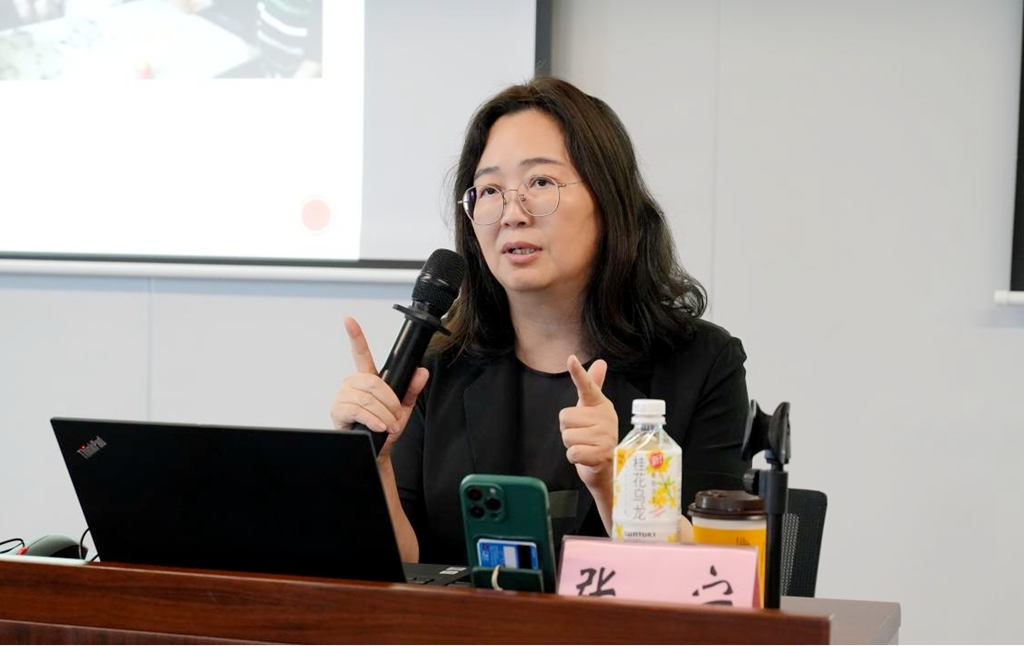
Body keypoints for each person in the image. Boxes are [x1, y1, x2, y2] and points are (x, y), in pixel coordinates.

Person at [330, 77, 750, 566]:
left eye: (541, 182)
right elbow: (402, 571)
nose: (512, 212)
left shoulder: (701, 364)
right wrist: (375, 464)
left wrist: (612, 483)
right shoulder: (436, 369)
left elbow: (714, 576)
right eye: (490, 190)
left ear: (608, 201)